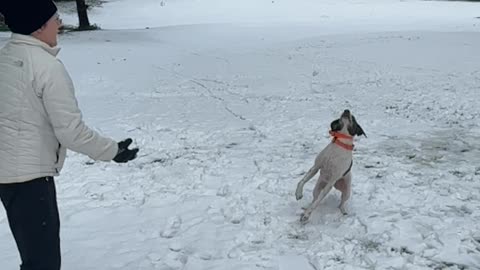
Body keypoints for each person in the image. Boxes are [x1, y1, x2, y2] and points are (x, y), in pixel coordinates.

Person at [0, 0, 139, 269]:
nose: (60, 24)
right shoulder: (47, 68)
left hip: (7, 174)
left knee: (34, 256)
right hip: (29, 177)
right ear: (39, 27)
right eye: (55, 19)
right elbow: (71, 132)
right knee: (43, 262)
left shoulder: (5, 58)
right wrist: (112, 150)